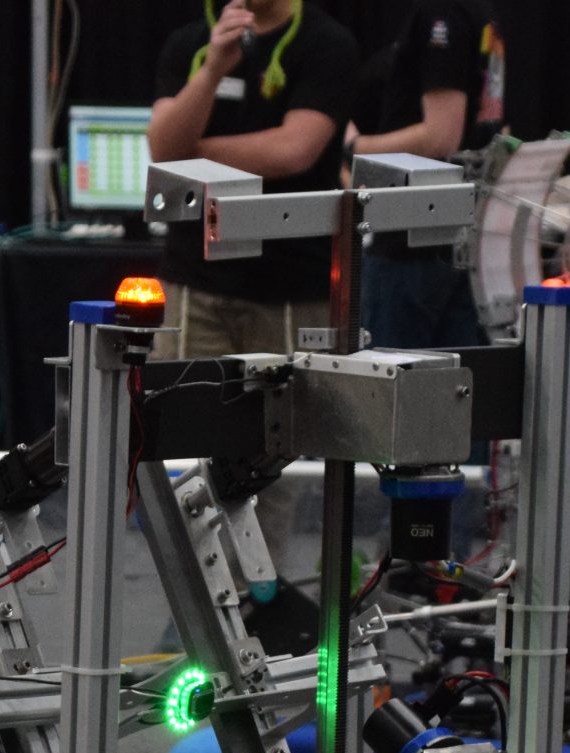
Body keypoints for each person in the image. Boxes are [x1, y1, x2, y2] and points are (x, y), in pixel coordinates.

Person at [150, 0, 361, 568]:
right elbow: (162, 148)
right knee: (187, 449)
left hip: (291, 287)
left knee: (272, 456)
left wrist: (194, 155)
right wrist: (213, 69)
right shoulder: (191, 44)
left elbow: (295, 151)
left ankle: (259, 598)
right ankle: (196, 603)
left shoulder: (326, 44)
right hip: (195, 282)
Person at [350, 2, 505, 350]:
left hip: (410, 238)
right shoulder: (476, 11)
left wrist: (354, 147)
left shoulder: (441, 13)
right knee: (454, 375)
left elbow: (441, 136)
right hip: (456, 234)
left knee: (392, 375)